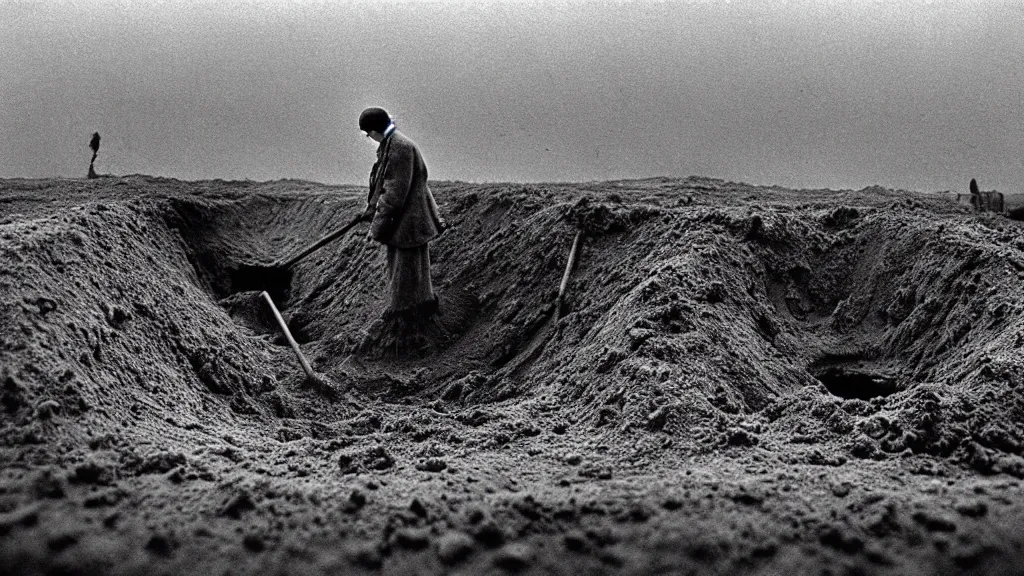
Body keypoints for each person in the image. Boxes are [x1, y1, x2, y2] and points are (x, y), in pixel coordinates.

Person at [359, 107, 445, 324]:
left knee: (407, 272)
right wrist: (370, 210)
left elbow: (393, 197)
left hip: (410, 223)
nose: (369, 138)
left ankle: (409, 321)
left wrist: (376, 228)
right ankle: (413, 312)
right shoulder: (391, 144)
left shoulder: (399, 148)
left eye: (368, 134)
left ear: (375, 131)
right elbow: (381, 183)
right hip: (405, 222)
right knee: (407, 271)